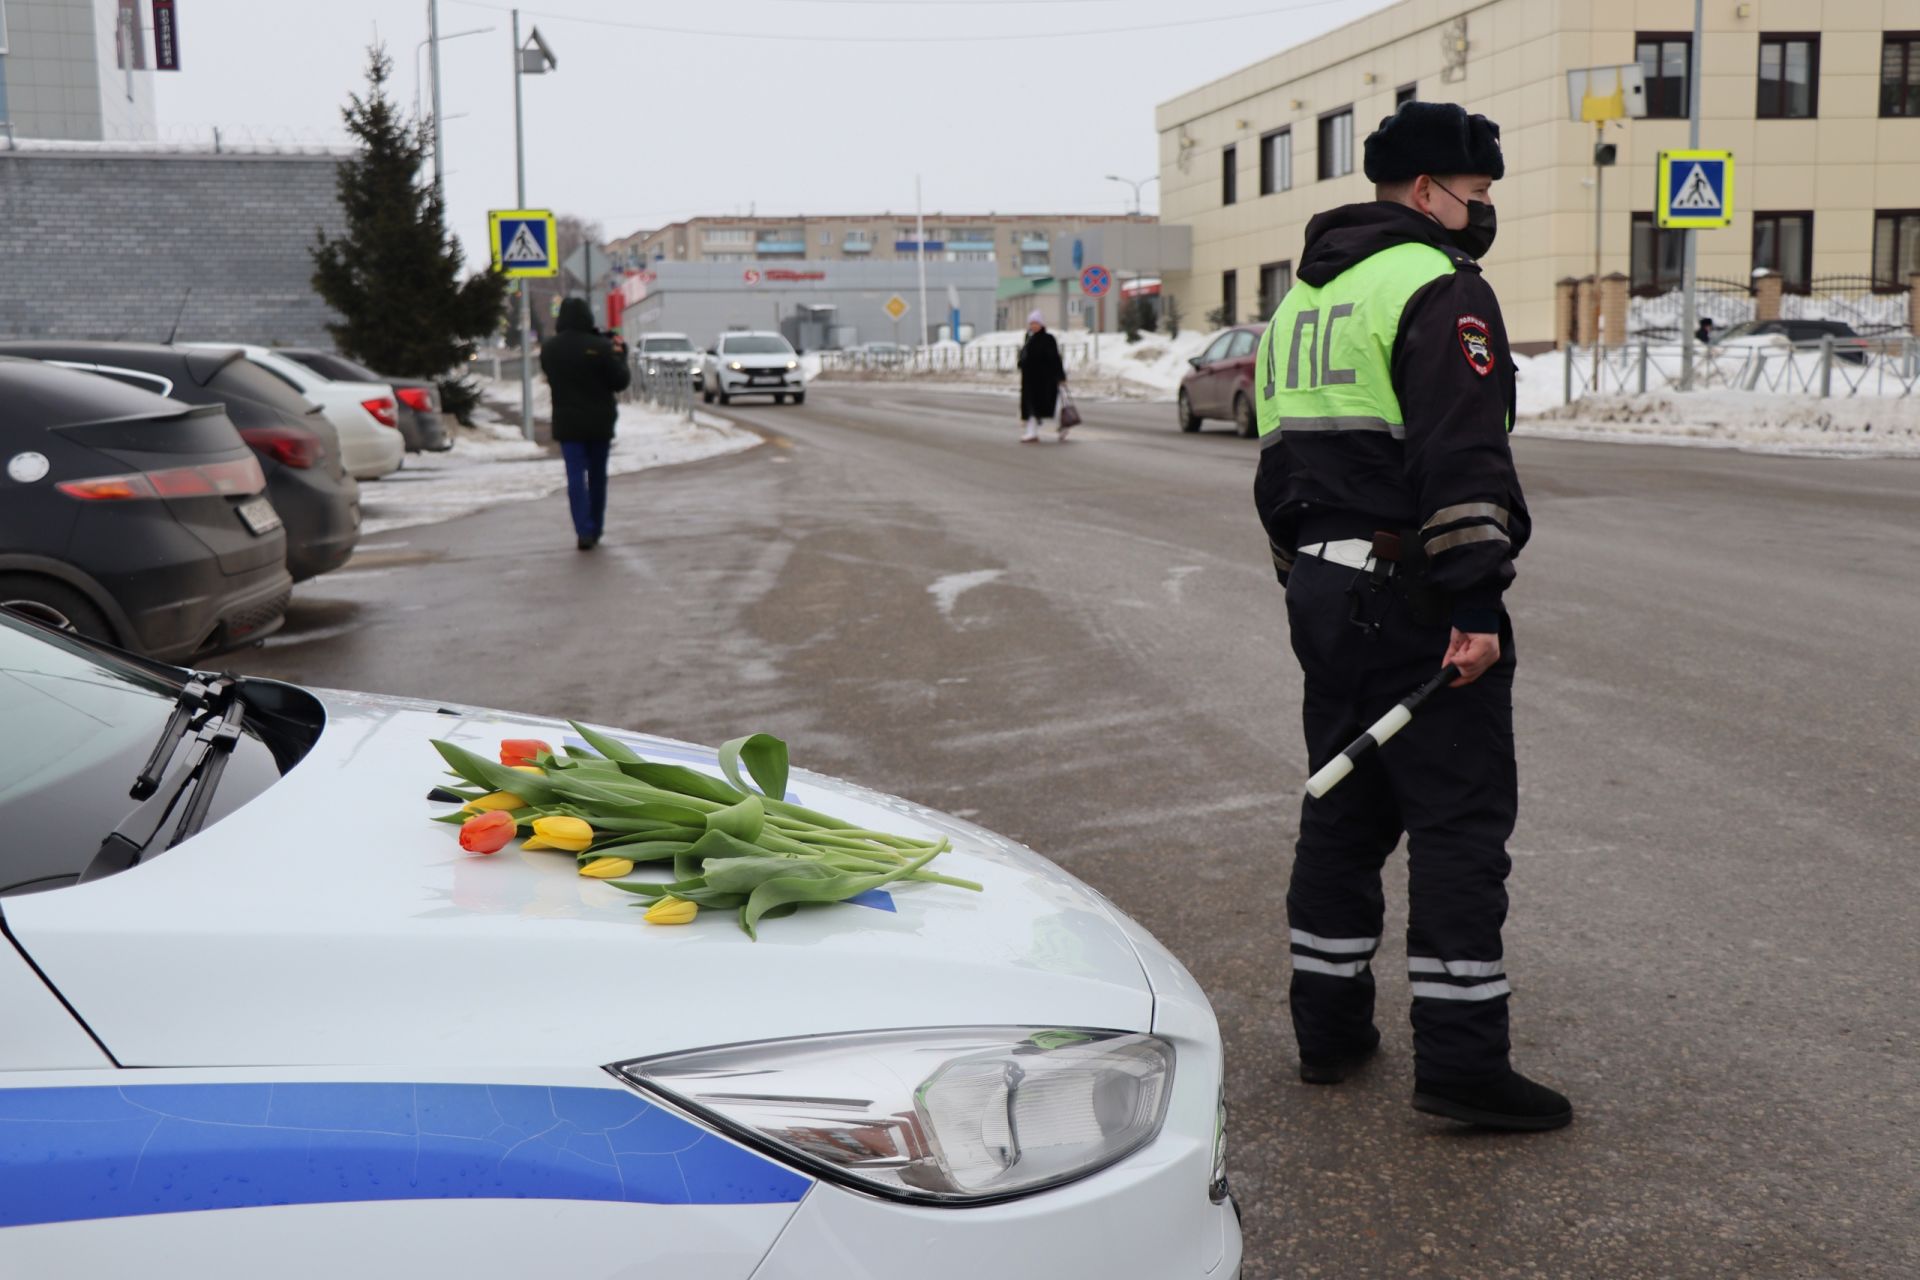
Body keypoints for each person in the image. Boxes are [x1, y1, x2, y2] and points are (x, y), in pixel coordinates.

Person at [1251, 100, 1571, 1131]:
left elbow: (1276, 463)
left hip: (1326, 588)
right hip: (1419, 595)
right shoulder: (1442, 290)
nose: (1484, 214)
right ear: (1431, 190)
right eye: (1478, 195)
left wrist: (1308, 583)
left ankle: (1329, 1032)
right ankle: (1464, 1065)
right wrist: (1474, 603)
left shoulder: (1302, 301)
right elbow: (1460, 460)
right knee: (1456, 820)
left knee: (1341, 803)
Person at [540, 296, 631, 550]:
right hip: (599, 423)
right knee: (598, 477)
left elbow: (551, 375)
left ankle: (583, 530)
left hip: (568, 424)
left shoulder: (550, 349)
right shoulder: (600, 347)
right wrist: (620, 356)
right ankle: (596, 526)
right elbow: (619, 382)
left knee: (575, 478)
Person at [1016, 309, 1068, 443]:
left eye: (1036, 323)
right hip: (1029, 380)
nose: (1033, 326)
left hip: (1045, 380)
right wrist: (1021, 363)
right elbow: (1025, 356)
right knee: (1030, 408)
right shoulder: (1029, 338)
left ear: (1041, 324)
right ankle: (1031, 432)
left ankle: (1062, 425)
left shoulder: (1048, 339)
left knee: (1050, 407)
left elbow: (1056, 359)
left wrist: (1060, 376)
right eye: (1031, 323)